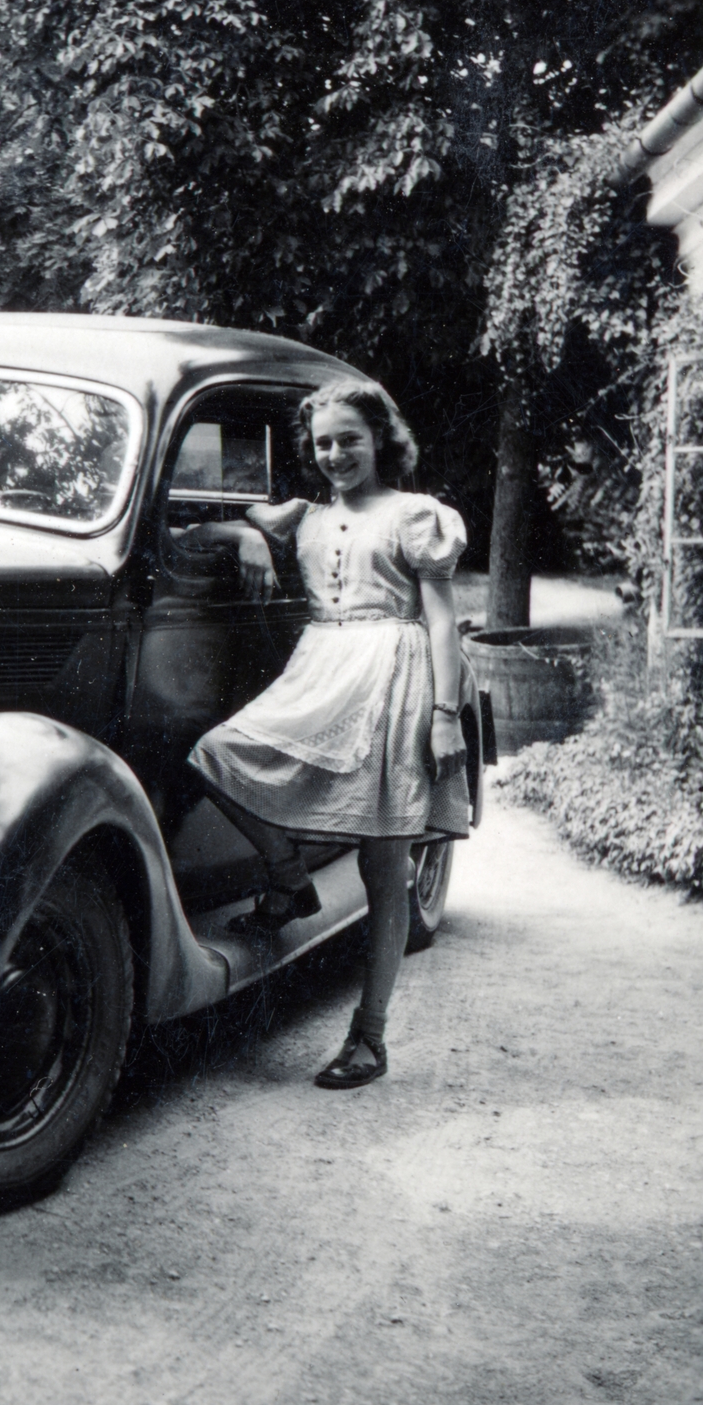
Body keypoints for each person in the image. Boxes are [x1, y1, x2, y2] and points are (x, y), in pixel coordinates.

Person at [183, 381, 469, 1089]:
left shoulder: (413, 515)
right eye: (323, 443)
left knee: (384, 863)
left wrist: (445, 717)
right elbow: (202, 529)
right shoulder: (303, 517)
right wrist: (249, 534)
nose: (336, 454)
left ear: (380, 440)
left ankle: (369, 1036)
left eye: (350, 439)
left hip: (395, 680)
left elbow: (440, 620)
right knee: (217, 756)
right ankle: (290, 879)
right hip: (319, 673)